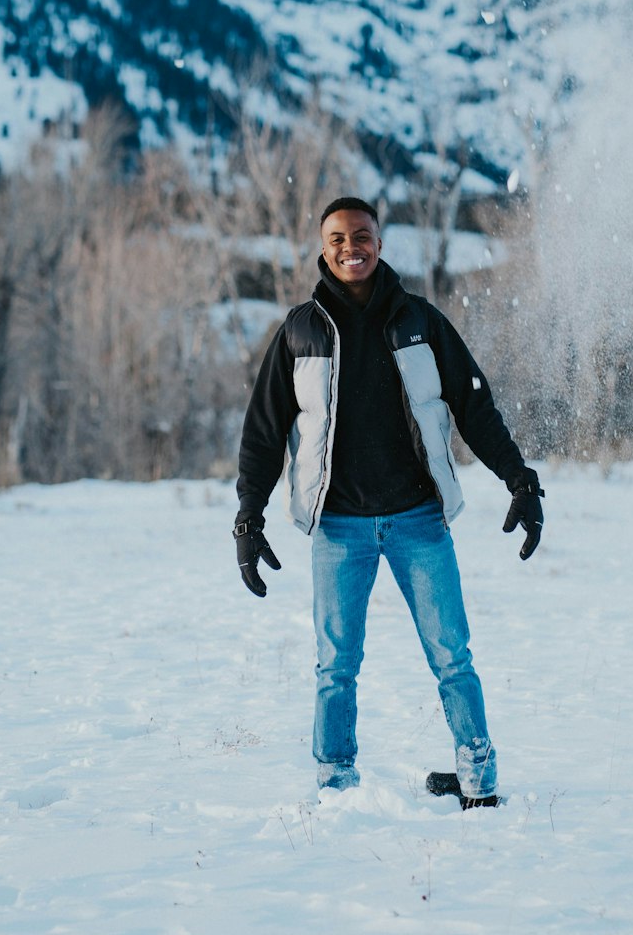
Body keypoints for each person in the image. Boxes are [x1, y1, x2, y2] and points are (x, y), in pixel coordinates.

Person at [233, 196, 543, 808]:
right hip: (338, 528)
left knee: (452, 656)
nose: (353, 247)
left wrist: (520, 480)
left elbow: (472, 404)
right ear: (323, 248)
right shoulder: (300, 331)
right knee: (335, 668)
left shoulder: (419, 321)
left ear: (380, 241)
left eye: (363, 235)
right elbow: (263, 432)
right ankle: (335, 786)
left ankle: (479, 781)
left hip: (418, 520)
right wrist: (249, 517)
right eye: (339, 237)